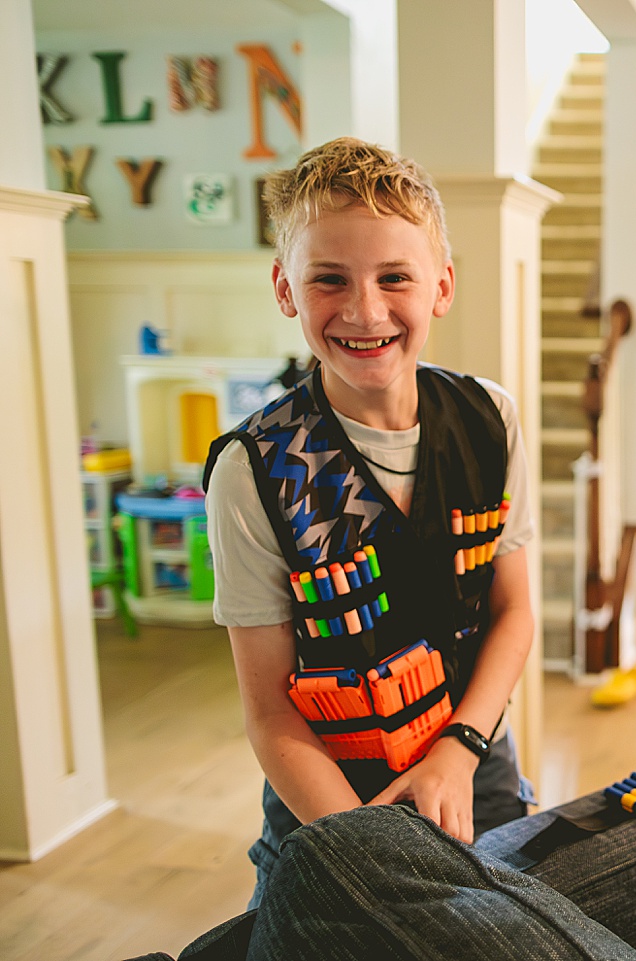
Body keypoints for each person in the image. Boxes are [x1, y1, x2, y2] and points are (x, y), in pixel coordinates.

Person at [204, 137, 536, 907]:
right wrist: (366, 849)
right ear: (286, 288)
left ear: (441, 286)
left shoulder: (492, 420)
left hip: (474, 764)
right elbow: (268, 708)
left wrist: (459, 748)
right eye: (329, 279)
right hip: (327, 802)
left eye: (395, 278)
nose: (365, 310)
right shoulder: (251, 471)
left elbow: (513, 611)